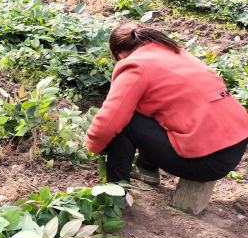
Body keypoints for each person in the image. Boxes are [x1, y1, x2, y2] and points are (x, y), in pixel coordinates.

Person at [85, 22, 248, 185]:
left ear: (119, 54)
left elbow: (109, 120)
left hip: (208, 161)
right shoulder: (175, 52)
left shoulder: (135, 65)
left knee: (124, 121)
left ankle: (115, 194)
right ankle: (146, 168)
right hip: (235, 145)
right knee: (149, 106)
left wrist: (92, 147)